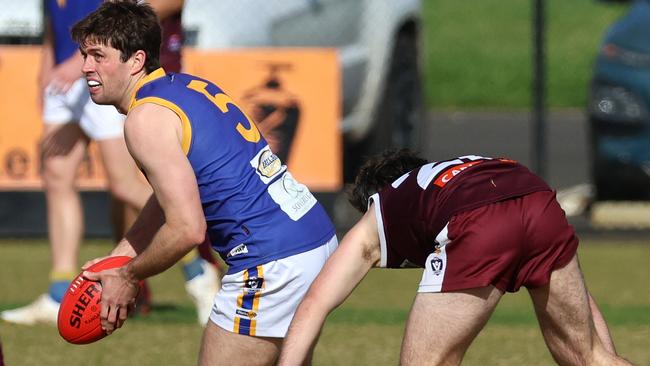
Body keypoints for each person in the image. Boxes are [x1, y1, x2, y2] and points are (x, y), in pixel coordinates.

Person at [71, 2, 337, 365]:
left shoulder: (145, 119)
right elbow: (168, 200)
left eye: (98, 55)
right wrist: (120, 258)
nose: (86, 67)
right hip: (311, 238)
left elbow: (187, 229)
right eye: (85, 54)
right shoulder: (184, 86)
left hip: (270, 259)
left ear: (135, 60)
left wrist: (129, 276)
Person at [278, 149, 633, 366]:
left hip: (479, 223)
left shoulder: (381, 209)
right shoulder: (454, 175)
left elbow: (314, 304)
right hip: (541, 201)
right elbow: (585, 319)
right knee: (588, 357)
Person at [0, 0, 219, 327]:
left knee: (124, 184)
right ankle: (60, 290)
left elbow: (113, 22)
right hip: (61, 81)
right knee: (57, 180)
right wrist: (43, 73)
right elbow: (52, 24)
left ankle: (198, 272)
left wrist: (80, 63)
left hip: (96, 73)